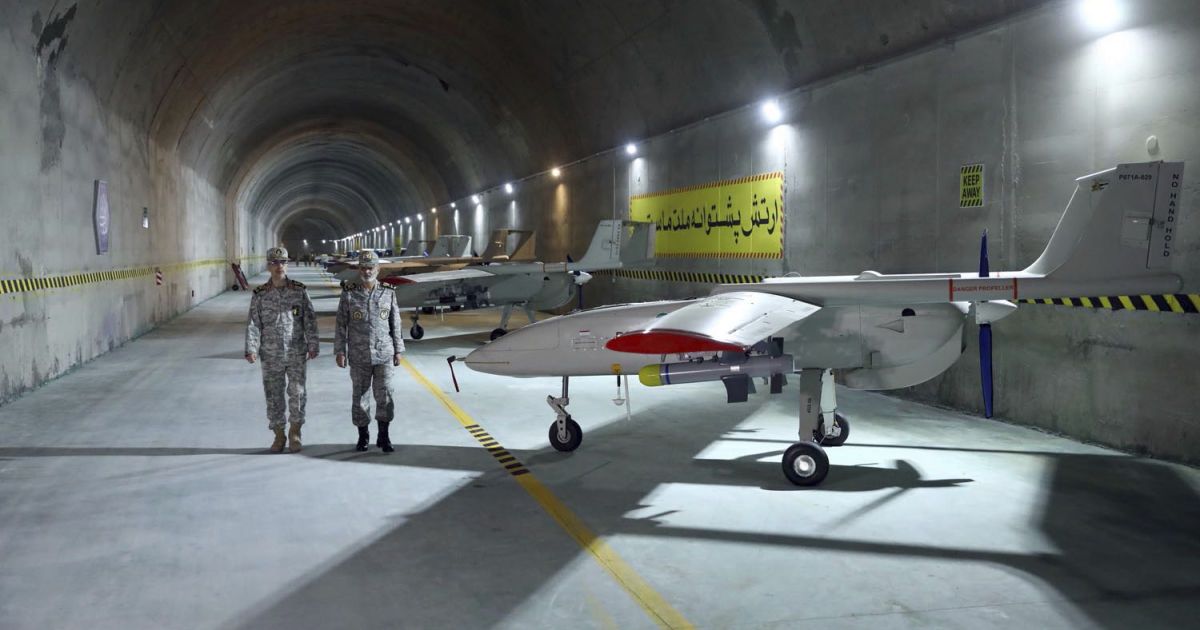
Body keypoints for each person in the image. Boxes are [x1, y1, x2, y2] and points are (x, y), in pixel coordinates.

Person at [245, 247, 320, 453]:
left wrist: (313, 344)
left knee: (297, 393)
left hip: (296, 351)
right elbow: (253, 323)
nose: (280, 266)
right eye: (275, 263)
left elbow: (309, 319)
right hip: (270, 354)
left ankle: (295, 432)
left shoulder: (299, 290)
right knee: (273, 395)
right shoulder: (260, 294)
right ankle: (278, 434)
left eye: (283, 262)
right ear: (269, 266)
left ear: (287, 264)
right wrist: (251, 347)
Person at [334, 250, 405, 452]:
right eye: (363, 267)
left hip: (384, 354)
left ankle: (384, 436)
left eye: (371, 267)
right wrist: (340, 351)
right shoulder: (349, 293)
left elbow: (395, 323)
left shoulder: (388, 292)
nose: (367, 271)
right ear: (359, 269)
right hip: (359, 355)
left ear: (378, 269)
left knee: (385, 395)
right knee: (360, 397)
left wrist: (398, 350)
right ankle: (363, 436)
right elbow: (341, 324)